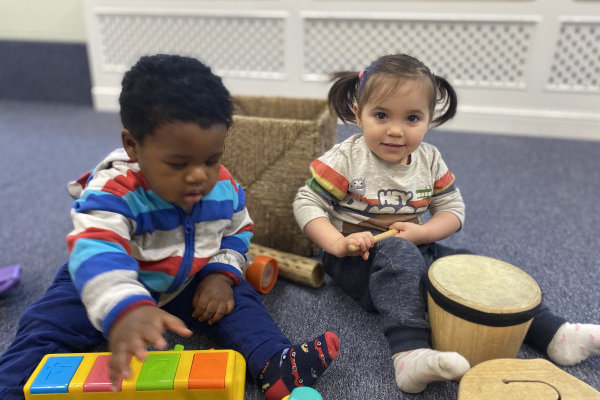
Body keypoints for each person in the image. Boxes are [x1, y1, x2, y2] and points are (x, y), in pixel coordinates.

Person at [0, 54, 339, 400]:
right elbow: (97, 250)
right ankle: (10, 384)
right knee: (46, 323)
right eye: (178, 164)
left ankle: (275, 363)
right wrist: (125, 307)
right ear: (133, 146)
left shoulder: (224, 188)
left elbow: (237, 232)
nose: (199, 176)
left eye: (212, 159)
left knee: (240, 302)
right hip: (107, 276)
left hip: (187, 279)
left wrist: (220, 275)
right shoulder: (112, 192)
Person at [293, 53, 600, 393]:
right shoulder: (346, 158)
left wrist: (424, 232)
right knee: (400, 257)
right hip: (356, 261)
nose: (395, 130)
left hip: (416, 246)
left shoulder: (429, 159)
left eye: (412, 118)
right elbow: (307, 202)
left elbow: (453, 210)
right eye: (381, 115)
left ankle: (555, 334)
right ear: (358, 114)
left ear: (429, 119)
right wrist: (336, 243)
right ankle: (409, 354)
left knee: (472, 267)